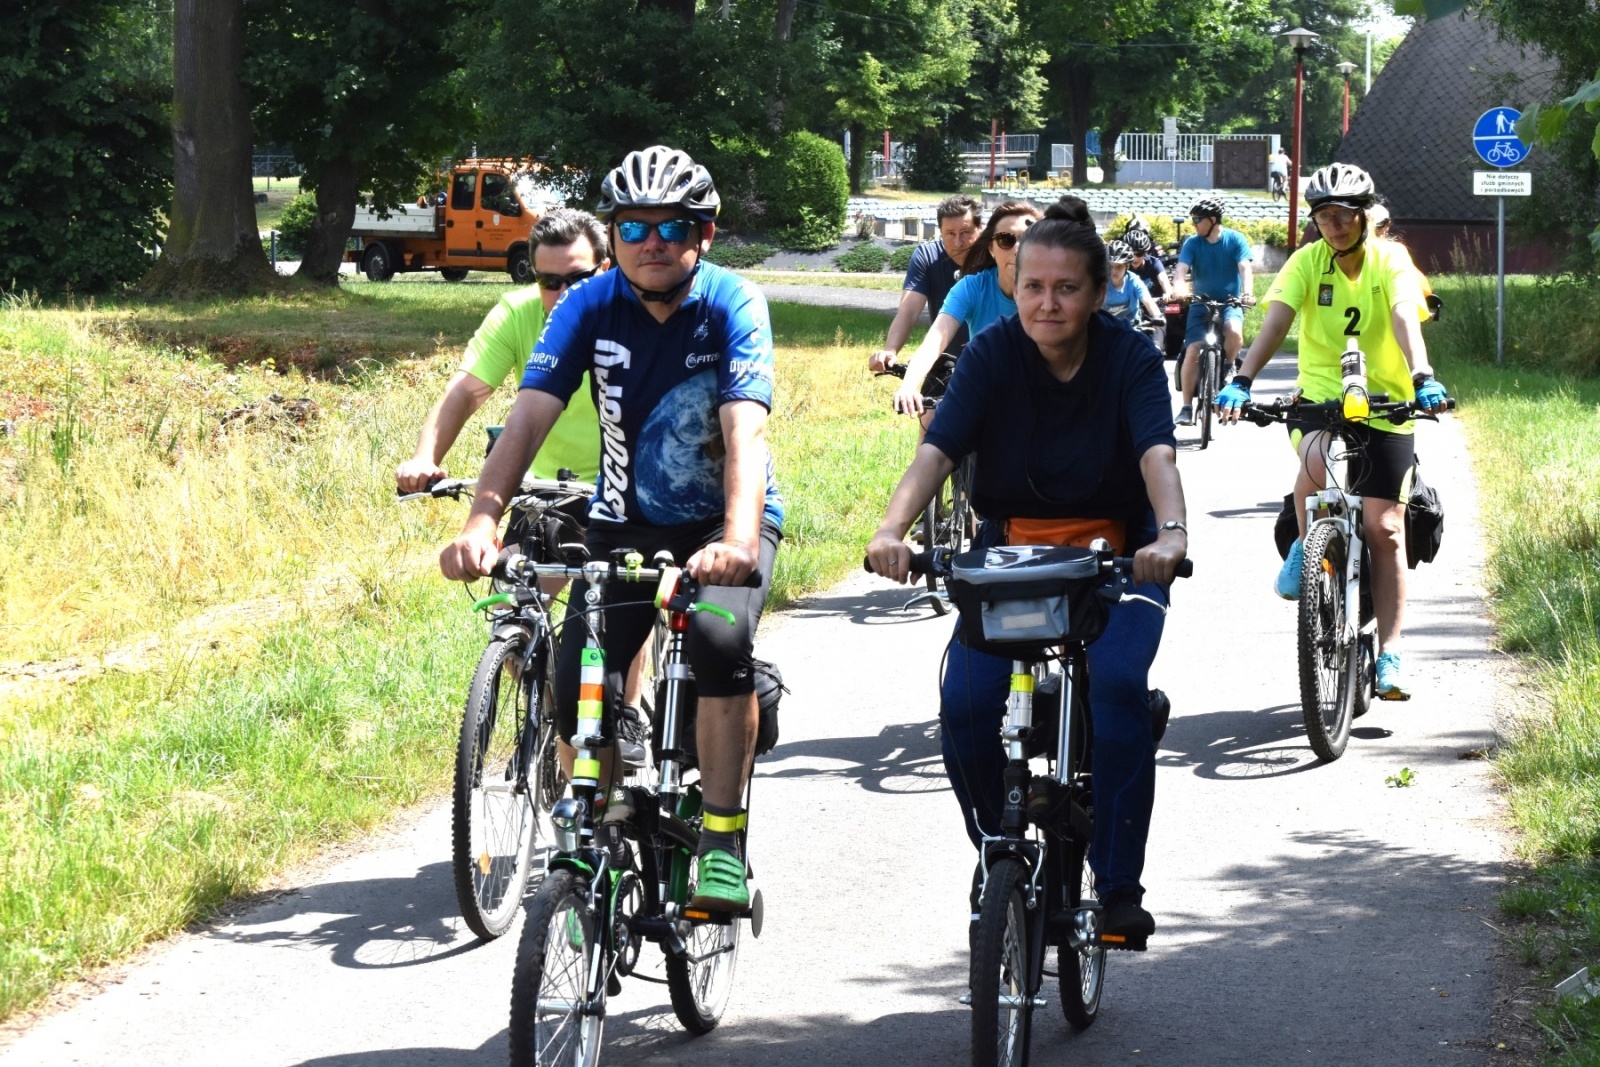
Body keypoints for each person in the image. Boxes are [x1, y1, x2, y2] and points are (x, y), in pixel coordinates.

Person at [438, 145, 782, 910]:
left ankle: (723, 838)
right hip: (622, 524)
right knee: (572, 685)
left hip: (723, 524)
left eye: (673, 226)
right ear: (616, 233)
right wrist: (482, 521)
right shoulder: (588, 305)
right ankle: (613, 821)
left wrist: (734, 538)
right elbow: (527, 416)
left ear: (706, 234)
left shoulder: (733, 302)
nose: (652, 241)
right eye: (633, 226)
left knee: (721, 643)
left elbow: (744, 431)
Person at [865, 196, 1189, 941]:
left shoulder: (1130, 357)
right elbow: (936, 453)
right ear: (1013, 284)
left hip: (1120, 553)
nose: (1047, 301)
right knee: (968, 708)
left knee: (1114, 687)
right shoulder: (990, 353)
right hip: (1013, 549)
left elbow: (1157, 455)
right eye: (1032, 285)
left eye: (1067, 288)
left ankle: (1115, 888)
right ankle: (997, 845)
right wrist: (892, 530)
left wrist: (1169, 535)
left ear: (1099, 291)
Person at [398, 209, 651, 765]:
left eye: (578, 279)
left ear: (606, 269)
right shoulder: (516, 314)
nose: (562, 292)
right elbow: (466, 391)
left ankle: (624, 708)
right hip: (543, 493)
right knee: (513, 610)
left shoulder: (633, 315)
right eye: (548, 281)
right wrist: (425, 457)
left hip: (619, 492)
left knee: (619, 606)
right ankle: (554, 712)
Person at [1216, 163, 1448, 699]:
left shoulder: (1391, 260)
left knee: (1384, 528)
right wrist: (1242, 379)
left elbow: (1402, 317)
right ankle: (1306, 545)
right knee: (1316, 464)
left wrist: (1422, 376)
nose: (1335, 226)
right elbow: (1274, 322)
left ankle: (1389, 653)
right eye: (1324, 217)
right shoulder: (1305, 262)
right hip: (1321, 392)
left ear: (1365, 216)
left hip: (1388, 399)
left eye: (1344, 216)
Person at [891, 201, 1041, 417]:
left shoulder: (1057, 293)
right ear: (991, 248)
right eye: (1006, 240)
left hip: (1041, 400)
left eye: (1029, 239)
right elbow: (936, 339)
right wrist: (908, 386)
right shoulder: (971, 287)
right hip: (984, 395)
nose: (1018, 248)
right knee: (932, 426)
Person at [868, 195, 983, 376]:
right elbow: (909, 311)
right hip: (946, 365)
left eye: (966, 232)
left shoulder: (996, 256)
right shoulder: (927, 256)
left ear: (980, 229)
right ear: (940, 232)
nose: (958, 242)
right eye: (950, 234)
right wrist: (890, 350)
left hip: (991, 363)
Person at [1172, 195, 1254, 424]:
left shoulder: (1235, 239)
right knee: (1193, 349)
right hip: (1201, 302)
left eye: (1198, 219)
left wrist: (1247, 293)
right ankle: (1187, 406)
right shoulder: (1192, 243)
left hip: (1231, 302)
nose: (1193, 223)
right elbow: (1181, 269)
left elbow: (1244, 267)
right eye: (1193, 219)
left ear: (1213, 219)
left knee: (1234, 331)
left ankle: (1229, 365)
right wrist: (1179, 287)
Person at [1102, 239, 1163, 329]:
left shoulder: (1134, 281)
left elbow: (1148, 301)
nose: (1114, 271)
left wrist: (1157, 316)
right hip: (1105, 329)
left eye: (1119, 266)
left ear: (1127, 266)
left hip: (1131, 330)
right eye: (1110, 266)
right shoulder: (1100, 282)